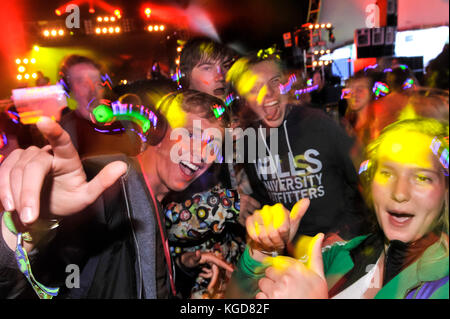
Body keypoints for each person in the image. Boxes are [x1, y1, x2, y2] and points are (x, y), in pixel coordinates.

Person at [0, 89, 232, 299]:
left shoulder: (158, 201)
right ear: (156, 133)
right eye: (191, 134)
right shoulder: (105, 182)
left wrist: (182, 266)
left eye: (213, 145)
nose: (202, 153)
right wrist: (30, 227)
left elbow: (134, 280)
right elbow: (31, 282)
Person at [229, 117, 449, 299]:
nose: (399, 193)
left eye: (422, 177)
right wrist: (264, 249)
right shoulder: (343, 254)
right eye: (387, 173)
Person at [226, 49, 370, 244]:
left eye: (275, 82)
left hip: (341, 246)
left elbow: (363, 180)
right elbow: (263, 197)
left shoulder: (319, 124)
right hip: (292, 252)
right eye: (254, 88)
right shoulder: (249, 140)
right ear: (245, 100)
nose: (268, 93)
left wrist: (345, 233)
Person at [163, 37, 245, 299]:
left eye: (224, 66)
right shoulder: (173, 121)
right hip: (190, 268)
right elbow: (165, 216)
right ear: (185, 75)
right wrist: (231, 206)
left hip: (229, 263)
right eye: (208, 67)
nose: (220, 75)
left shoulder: (228, 120)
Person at [57, 54, 142, 158]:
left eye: (94, 79)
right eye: (80, 81)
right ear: (71, 89)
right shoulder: (66, 129)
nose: (91, 87)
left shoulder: (125, 120)